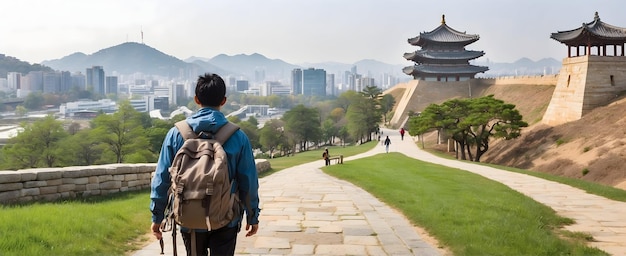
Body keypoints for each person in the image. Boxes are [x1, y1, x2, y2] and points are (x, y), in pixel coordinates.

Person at [150, 73, 260, 256]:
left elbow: (161, 178)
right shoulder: (238, 137)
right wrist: (253, 215)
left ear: (196, 99)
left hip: (189, 217)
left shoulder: (176, 134)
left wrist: (157, 216)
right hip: (226, 217)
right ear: (223, 101)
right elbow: (248, 180)